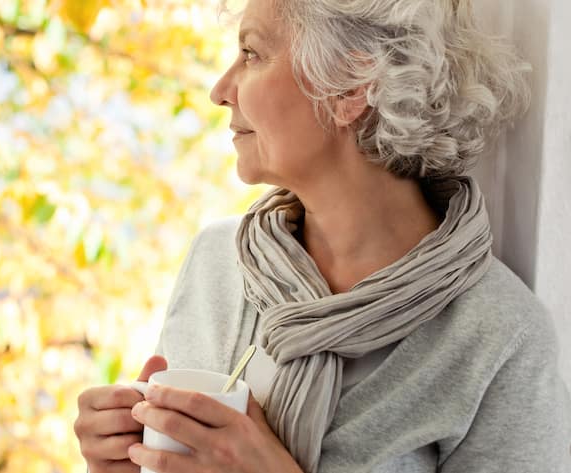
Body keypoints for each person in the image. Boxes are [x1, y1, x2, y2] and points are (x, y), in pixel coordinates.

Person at [73, 0, 571, 471]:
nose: (221, 89)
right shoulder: (217, 262)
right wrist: (126, 457)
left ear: (350, 86)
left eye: (252, 54)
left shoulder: (500, 339)